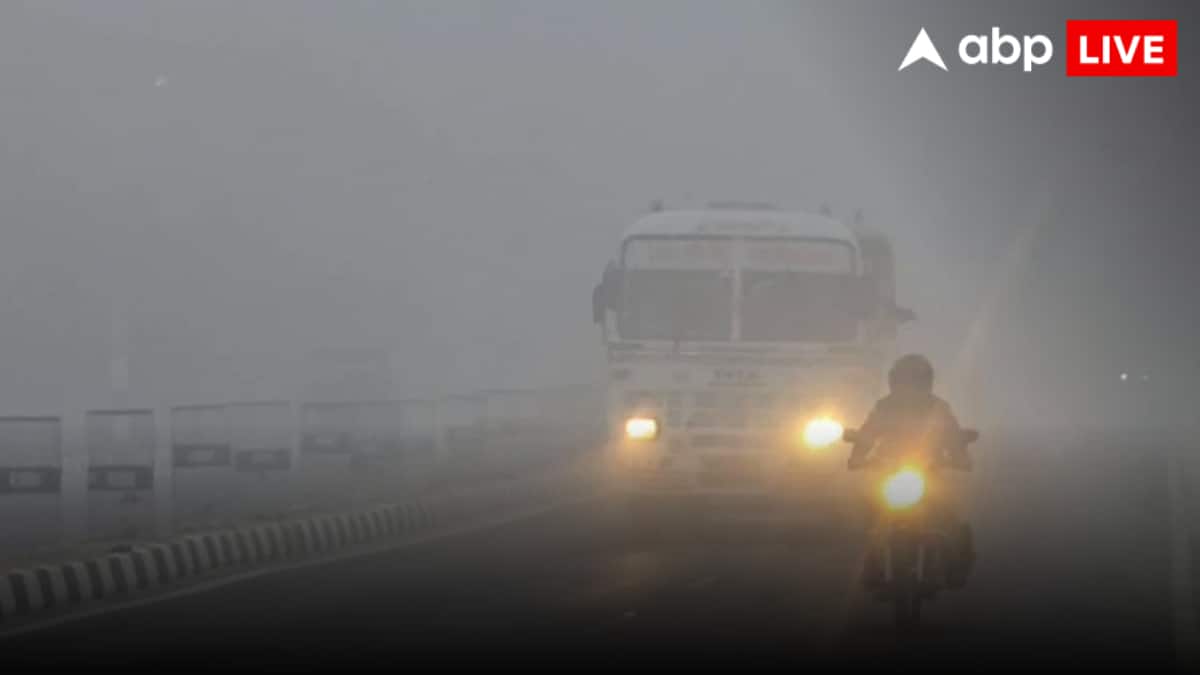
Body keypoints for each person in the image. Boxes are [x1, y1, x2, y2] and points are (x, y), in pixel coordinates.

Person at [848, 353, 975, 589]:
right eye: (904, 380)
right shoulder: (883, 407)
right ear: (894, 382)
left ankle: (956, 567)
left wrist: (960, 457)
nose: (909, 387)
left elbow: (954, 438)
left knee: (952, 517)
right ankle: (869, 566)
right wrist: (857, 456)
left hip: (928, 472)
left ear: (926, 383)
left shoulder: (940, 409)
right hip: (890, 471)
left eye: (915, 381)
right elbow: (867, 434)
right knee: (866, 514)